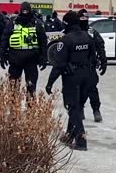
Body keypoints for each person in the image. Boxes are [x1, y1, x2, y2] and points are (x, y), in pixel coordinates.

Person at [46, 11, 95, 151]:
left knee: (73, 108)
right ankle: (69, 135)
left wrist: (50, 83)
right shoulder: (87, 37)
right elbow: (93, 58)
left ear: (67, 23)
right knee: (77, 107)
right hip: (87, 76)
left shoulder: (66, 40)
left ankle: (81, 141)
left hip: (72, 77)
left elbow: (59, 64)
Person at [0, 2, 47, 97]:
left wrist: (43, 57)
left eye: (26, 11)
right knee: (14, 87)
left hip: (29, 59)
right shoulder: (14, 23)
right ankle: (15, 108)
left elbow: (43, 42)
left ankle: (28, 108)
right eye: (24, 11)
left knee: (30, 87)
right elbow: (4, 39)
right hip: (17, 59)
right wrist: (2, 56)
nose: (25, 13)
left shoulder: (35, 23)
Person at [78, 8, 107, 122]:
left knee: (92, 89)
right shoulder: (73, 32)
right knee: (79, 90)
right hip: (77, 67)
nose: (84, 20)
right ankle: (80, 109)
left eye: (86, 18)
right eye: (82, 18)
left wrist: (103, 62)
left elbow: (100, 46)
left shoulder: (92, 32)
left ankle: (96, 110)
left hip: (90, 66)